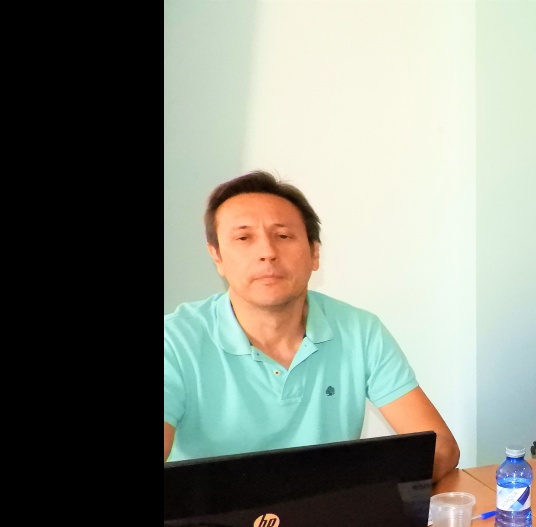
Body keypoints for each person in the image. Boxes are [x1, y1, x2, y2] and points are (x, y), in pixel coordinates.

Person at [164, 171, 460, 482]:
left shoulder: (360, 330)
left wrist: (364, 496)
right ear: (217, 256)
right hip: (211, 526)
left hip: (330, 519)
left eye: (283, 235)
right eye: (243, 238)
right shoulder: (174, 341)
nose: (267, 252)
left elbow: (441, 449)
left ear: (314, 252)